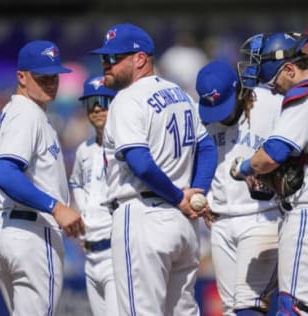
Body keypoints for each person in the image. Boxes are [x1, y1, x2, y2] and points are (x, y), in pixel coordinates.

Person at [90, 23, 218, 315]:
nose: (105, 65)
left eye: (114, 58)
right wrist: (196, 191)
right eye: (103, 58)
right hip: (184, 226)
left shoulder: (126, 99)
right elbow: (207, 147)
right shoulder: (180, 94)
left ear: (140, 59)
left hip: (144, 217)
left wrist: (179, 196)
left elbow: (141, 163)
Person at [231, 32, 308, 315]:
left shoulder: (307, 95)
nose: (275, 90)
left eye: (275, 81)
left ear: (289, 68)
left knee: (292, 311)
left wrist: (243, 167)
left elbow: (271, 155)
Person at [0, 40, 85, 315]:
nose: (51, 83)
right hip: (33, 235)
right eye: (42, 77)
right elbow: (3, 174)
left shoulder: (13, 112)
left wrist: (8, 202)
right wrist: (56, 206)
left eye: (54, 76)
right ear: (21, 77)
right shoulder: (27, 113)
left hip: (8, 231)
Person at [195, 60, 282, 316]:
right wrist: (203, 192)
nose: (219, 116)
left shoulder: (271, 104)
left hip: (263, 216)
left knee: (248, 307)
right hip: (220, 221)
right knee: (232, 309)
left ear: (240, 90)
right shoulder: (202, 115)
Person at [68, 75, 119, 316]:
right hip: (90, 254)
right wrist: (84, 213)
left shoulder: (125, 146)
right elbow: (76, 182)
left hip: (115, 252)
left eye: (103, 101)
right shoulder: (83, 150)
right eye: (91, 102)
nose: (97, 108)